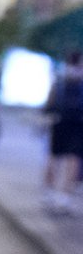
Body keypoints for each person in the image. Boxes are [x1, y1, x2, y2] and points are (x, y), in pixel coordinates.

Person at [44, 50, 83, 213]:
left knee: (54, 157)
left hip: (58, 121)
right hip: (78, 123)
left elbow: (50, 101)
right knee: (73, 160)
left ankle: (49, 192)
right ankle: (65, 197)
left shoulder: (61, 76)